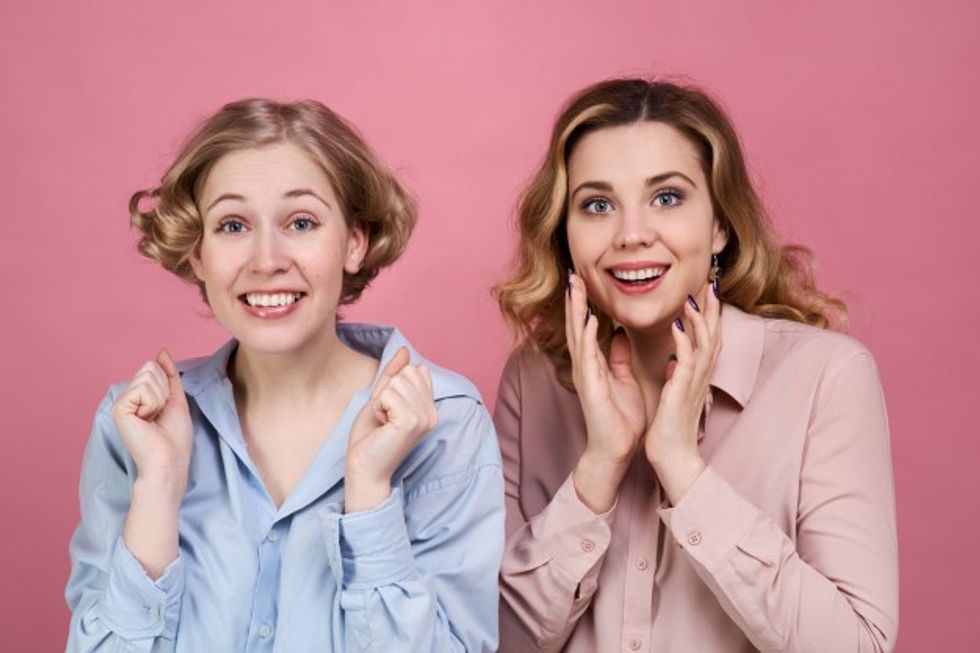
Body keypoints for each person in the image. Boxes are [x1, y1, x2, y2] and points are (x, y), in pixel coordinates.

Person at [66, 98, 503, 652]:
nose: (266, 259)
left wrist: (370, 497)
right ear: (197, 253)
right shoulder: (134, 425)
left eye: (301, 222)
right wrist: (157, 488)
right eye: (232, 225)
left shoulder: (445, 420)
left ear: (354, 242)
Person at [493, 78, 898, 652]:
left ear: (720, 227)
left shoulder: (825, 377)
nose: (631, 234)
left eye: (667, 197)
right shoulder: (533, 381)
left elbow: (858, 646)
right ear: (566, 238)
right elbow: (495, 641)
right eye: (598, 205)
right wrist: (599, 468)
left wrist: (684, 468)